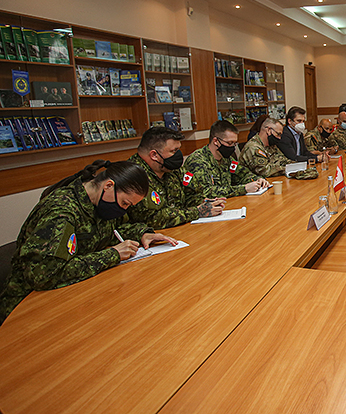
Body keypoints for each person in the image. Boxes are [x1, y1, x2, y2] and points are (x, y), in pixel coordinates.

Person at [0, 160, 177, 325]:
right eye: (125, 203)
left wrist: (143, 233)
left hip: (77, 293)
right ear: (108, 186)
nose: (124, 209)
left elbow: (110, 231)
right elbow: (45, 275)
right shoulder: (61, 212)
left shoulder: (100, 201)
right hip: (28, 308)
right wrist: (112, 255)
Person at [127, 126, 226, 229]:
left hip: (183, 229)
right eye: (174, 151)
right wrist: (197, 212)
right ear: (154, 155)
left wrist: (205, 202)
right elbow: (152, 219)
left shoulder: (171, 168)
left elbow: (191, 194)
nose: (178, 155)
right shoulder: (132, 176)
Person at [182, 120, 269, 199]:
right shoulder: (197, 161)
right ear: (216, 141)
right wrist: (244, 189)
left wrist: (258, 180)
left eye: (235, 143)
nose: (232, 147)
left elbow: (243, 174)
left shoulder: (226, 159)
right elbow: (206, 192)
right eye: (229, 143)